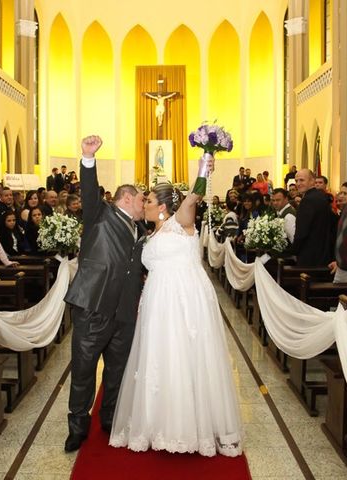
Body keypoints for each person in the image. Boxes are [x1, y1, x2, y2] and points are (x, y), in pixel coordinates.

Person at [110, 160, 242, 458]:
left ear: (164, 207)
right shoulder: (150, 232)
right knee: (159, 357)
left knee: (183, 355)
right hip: (157, 298)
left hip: (183, 300)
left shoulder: (181, 222)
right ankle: (158, 422)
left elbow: (193, 196)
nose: (143, 204)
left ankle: (187, 426)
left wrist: (203, 167)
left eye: (149, 200)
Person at [63, 135, 147, 452]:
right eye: (141, 200)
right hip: (93, 306)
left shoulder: (140, 230)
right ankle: (77, 426)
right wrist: (87, 158)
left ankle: (110, 418)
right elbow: (88, 189)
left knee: (118, 370)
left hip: (125, 311)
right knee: (83, 370)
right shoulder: (100, 215)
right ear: (126, 199)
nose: (144, 205)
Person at [292, 168, 336, 267]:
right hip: (323, 254)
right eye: (296, 181)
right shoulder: (320, 196)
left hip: (309, 256)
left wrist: (294, 250)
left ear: (312, 181)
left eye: (302, 180)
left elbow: (302, 231)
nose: (298, 183)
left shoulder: (307, 200)